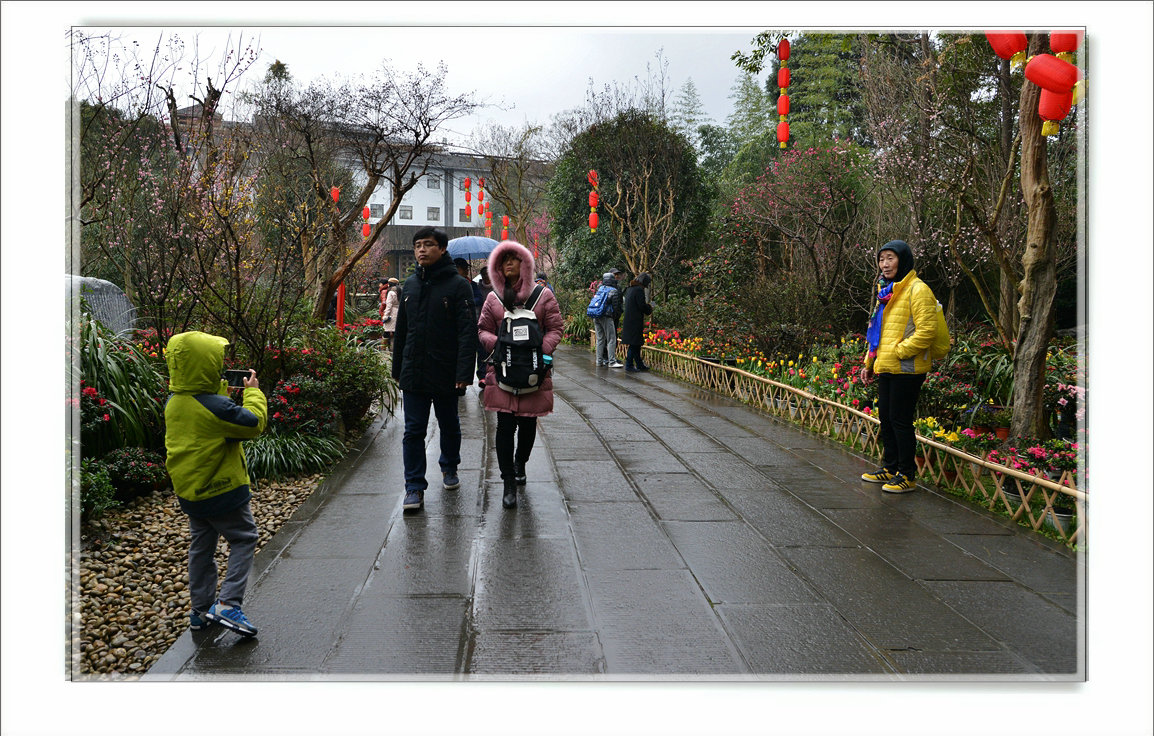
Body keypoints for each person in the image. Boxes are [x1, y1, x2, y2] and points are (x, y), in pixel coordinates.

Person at [163, 331, 267, 637]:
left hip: (191, 491)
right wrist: (253, 393)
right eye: (216, 362)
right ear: (205, 365)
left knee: (202, 546)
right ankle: (228, 604)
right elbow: (253, 423)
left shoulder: (175, 401)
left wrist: (219, 392)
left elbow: (206, 415)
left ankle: (200, 611)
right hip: (221, 489)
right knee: (244, 538)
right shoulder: (215, 408)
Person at [392, 227, 479, 512]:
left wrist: (464, 373)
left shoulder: (458, 285)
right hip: (413, 370)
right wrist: (397, 369)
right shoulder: (410, 285)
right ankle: (414, 486)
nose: (421, 250)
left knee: (449, 424)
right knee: (413, 431)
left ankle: (449, 465)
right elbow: (402, 331)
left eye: (428, 244)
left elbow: (467, 332)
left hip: (445, 370)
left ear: (442, 249)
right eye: (418, 245)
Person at [476, 240, 564, 509]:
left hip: (533, 372)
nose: (509, 264)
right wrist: (500, 346)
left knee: (527, 425)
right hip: (502, 372)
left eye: (514, 259)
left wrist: (540, 350)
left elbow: (555, 328)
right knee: (504, 426)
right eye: (504, 260)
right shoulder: (493, 298)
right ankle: (508, 482)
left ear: (525, 264)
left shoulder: (543, 295)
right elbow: (482, 330)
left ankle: (520, 463)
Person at [859, 240, 939, 493]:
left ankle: (906, 474)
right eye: (881, 259)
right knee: (886, 419)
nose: (885, 264)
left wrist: (899, 351)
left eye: (890, 258)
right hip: (886, 365)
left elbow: (927, 331)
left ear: (903, 260)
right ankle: (890, 467)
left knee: (900, 420)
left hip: (908, 368)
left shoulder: (918, 289)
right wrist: (869, 362)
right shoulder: (886, 291)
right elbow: (877, 331)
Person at [620, 272, 653, 373]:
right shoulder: (639, 290)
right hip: (635, 321)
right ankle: (629, 365)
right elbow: (641, 305)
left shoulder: (630, 288)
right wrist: (650, 307)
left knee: (636, 344)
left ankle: (639, 364)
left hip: (629, 320)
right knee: (634, 344)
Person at [592, 269, 624, 368]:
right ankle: (612, 361)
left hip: (596, 316)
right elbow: (616, 307)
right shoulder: (613, 290)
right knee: (611, 339)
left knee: (600, 339)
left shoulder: (600, 289)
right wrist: (615, 317)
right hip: (607, 316)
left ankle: (599, 361)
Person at [380, 277, 400, 347]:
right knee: (395, 331)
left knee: (386, 331)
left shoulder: (391, 292)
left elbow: (389, 305)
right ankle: (396, 347)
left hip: (391, 313)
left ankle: (384, 347)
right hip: (398, 312)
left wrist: (386, 315)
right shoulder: (399, 291)